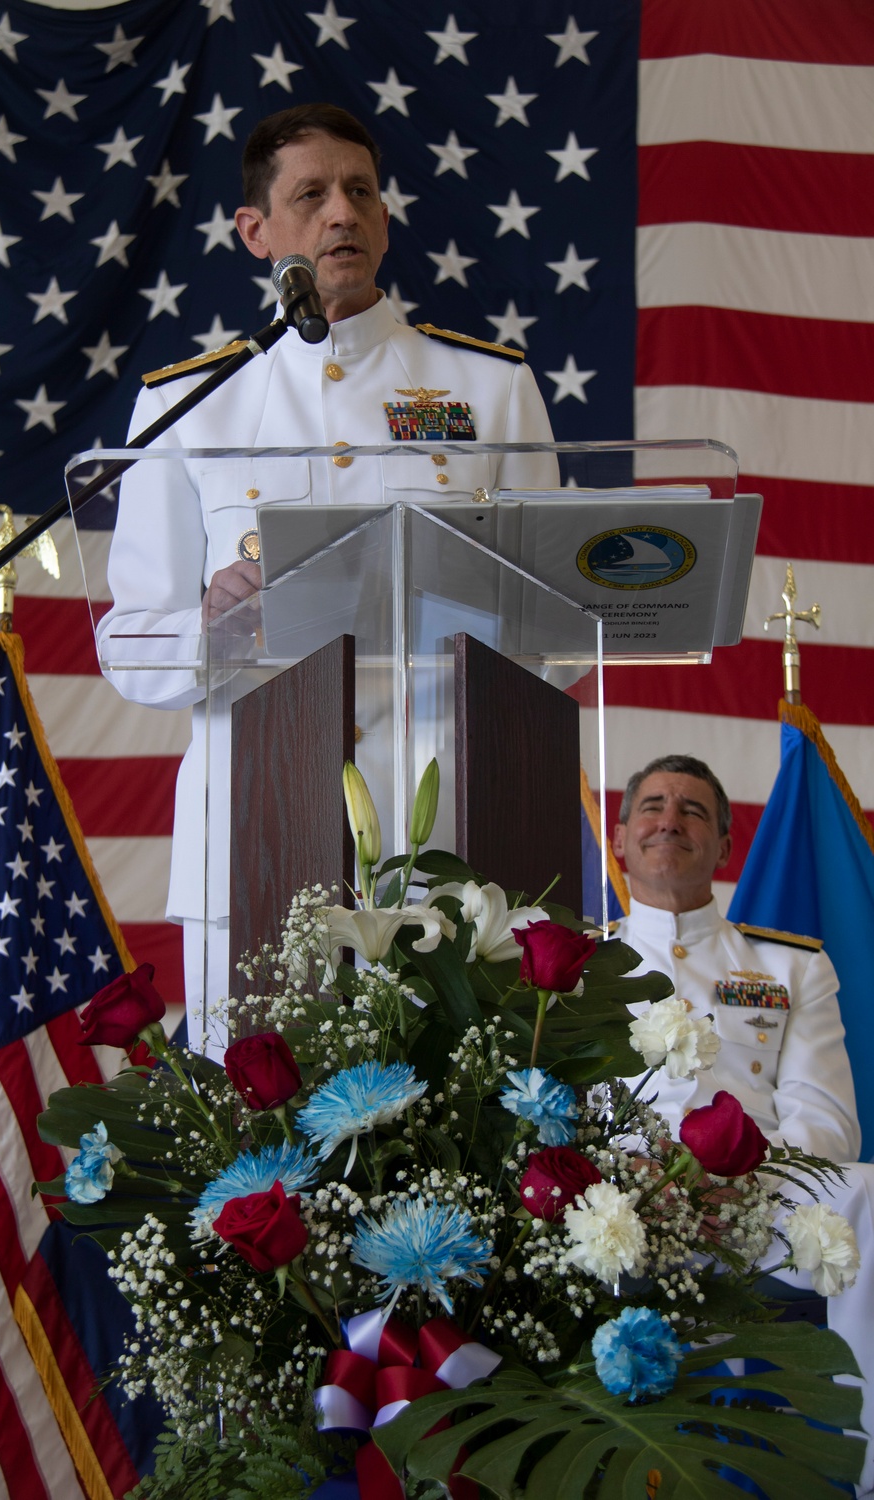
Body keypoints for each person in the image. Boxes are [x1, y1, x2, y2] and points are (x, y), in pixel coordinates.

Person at [97, 103, 559, 1049]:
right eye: (311, 195)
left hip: (452, 832)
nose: (341, 213)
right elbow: (130, 641)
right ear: (257, 232)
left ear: (386, 223)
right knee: (255, 1152)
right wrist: (212, 630)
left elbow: (555, 617)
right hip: (255, 829)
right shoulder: (189, 404)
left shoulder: (488, 389)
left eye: (359, 192)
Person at [613, 753, 874, 1497]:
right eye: (654, 807)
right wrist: (649, 1179)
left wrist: (736, 1178)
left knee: (869, 1194)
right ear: (625, 837)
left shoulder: (790, 969)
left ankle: (866, 1468)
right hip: (621, 1205)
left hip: (756, 1204)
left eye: (693, 811)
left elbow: (827, 1124)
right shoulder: (578, 965)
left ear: (725, 846)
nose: (671, 820)